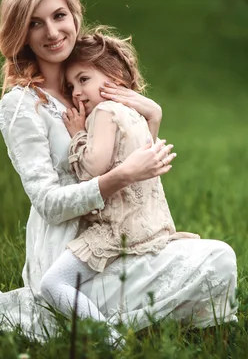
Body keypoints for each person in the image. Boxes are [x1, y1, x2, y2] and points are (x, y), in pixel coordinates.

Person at [0, 0, 238, 342]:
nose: (53, 32)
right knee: (197, 267)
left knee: (219, 257)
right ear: (20, 34)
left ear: (75, 15)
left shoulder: (93, 84)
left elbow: (134, 165)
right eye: (35, 23)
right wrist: (115, 179)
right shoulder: (21, 106)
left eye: (59, 16)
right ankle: (107, 328)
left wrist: (153, 117)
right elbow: (48, 202)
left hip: (121, 233)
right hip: (68, 255)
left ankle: (127, 317)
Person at [38, 25, 202, 328]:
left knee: (52, 284)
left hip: (115, 228)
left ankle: (108, 339)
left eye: (83, 79)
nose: (76, 93)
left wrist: (77, 136)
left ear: (114, 78)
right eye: (71, 86)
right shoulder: (137, 115)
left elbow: (93, 169)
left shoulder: (105, 113)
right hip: (152, 227)